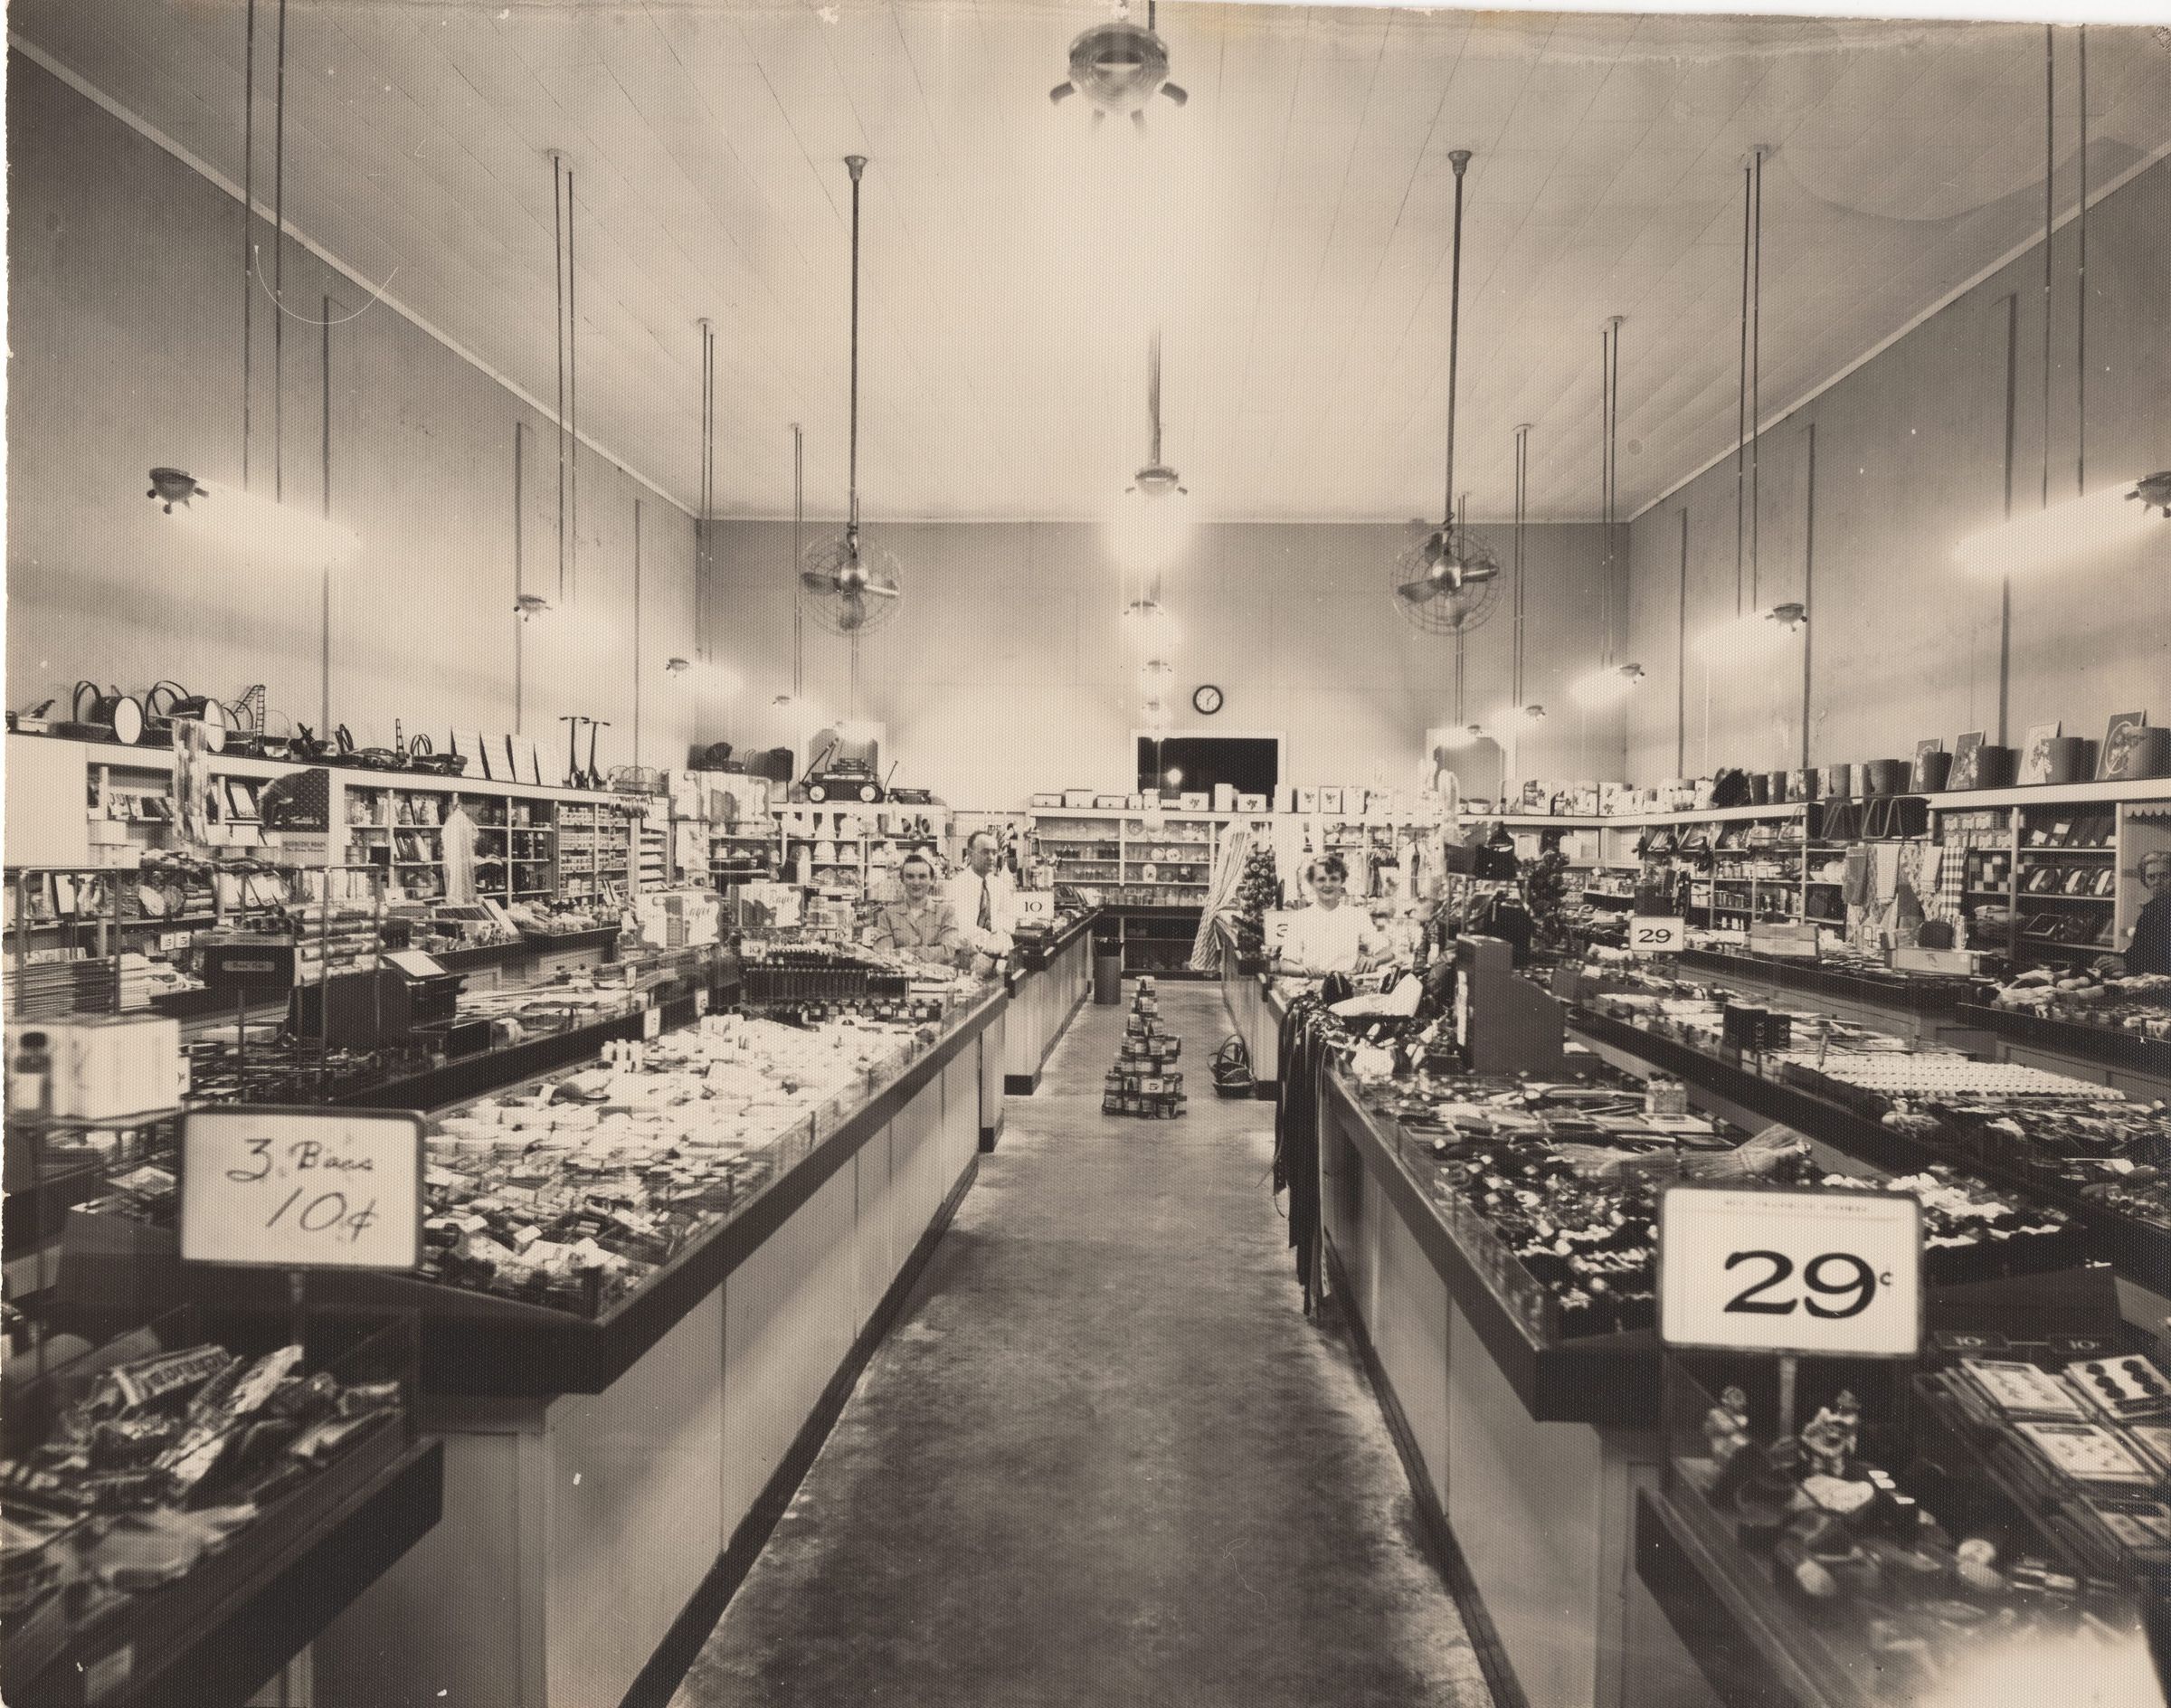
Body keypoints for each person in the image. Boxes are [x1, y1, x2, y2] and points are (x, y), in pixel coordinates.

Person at [1275, 854, 1387, 978]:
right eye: (1321, 879)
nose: (1328, 885)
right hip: (1312, 986)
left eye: (1334, 879)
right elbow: (1285, 964)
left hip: (1347, 985)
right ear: (1312, 883)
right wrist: (1302, 970)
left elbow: (1387, 951)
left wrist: (1375, 959)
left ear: (1342, 881)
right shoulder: (1300, 918)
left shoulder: (1357, 915)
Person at [866, 851, 964, 967]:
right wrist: (932, 953)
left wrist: (904, 952)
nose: (916, 882)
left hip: (935, 978)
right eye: (910, 876)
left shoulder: (946, 912)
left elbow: (948, 952)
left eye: (922, 876)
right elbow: (885, 954)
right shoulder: (887, 915)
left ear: (932, 880)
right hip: (899, 978)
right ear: (902, 880)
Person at [946, 830, 1017, 966]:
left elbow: (1010, 921)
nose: (991, 857)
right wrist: (993, 935)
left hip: (997, 958)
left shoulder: (998, 885)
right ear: (970, 853)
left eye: (994, 852)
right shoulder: (957, 886)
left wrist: (994, 927)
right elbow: (960, 929)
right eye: (985, 852)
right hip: (967, 959)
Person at [2123, 849, 2171, 975]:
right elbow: (2139, 951)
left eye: (2164, 875)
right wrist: (2116, 960)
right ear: (2144, 881)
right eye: (2151, 877)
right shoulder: (2150, 910)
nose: (2157, 882)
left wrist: (2127, 963)